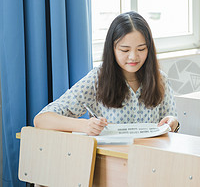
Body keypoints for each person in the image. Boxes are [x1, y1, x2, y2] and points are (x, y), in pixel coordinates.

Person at [34, 11, 179, 135]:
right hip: (111, 161)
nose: (133, 57)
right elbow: (41, 119)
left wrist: (173, 123)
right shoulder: (98, 79)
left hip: (150, 160)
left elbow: (171, 120)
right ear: (112, 49)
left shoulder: (160, 79)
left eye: (141, 49)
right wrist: (85, 126)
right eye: (125, 50)